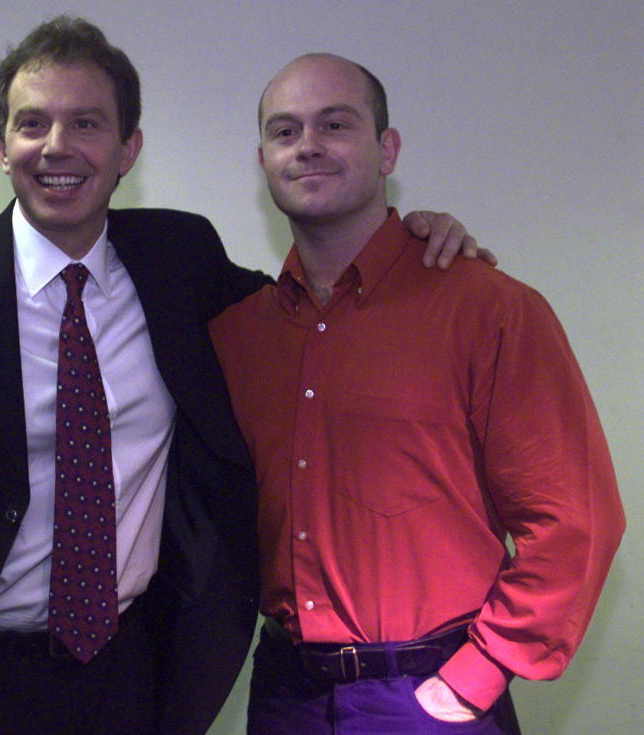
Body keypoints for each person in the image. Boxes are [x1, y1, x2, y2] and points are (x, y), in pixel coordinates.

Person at [0, 19, 481, 735]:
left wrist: (408, 242)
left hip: (131, 678)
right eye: (32, 122)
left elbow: (308, 304)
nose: (57, 145)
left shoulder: (179, 261)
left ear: (128, 147)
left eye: (86, 123)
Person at [209, 53, 625, 734]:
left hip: (431, 693)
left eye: (334, 123)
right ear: (263, 160)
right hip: (284, 694)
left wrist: (482, 673)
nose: (307, 144)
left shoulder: (487, 308)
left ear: (387, 148)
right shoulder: (237, 332)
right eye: (285, 132)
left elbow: (576, 520)